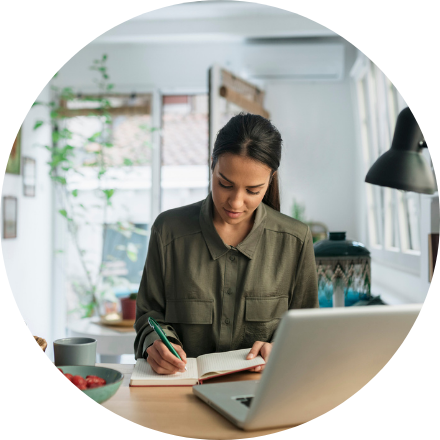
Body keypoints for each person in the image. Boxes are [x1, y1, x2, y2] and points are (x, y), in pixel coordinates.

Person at [134, 112, 318, 375]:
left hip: (262, 392)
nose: (235, 202)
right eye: (225, 184)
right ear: (212, 165)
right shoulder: (168, 231)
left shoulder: (295, 240)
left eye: (253, 191)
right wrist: (157, 344)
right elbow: (148, 316)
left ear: (270, 179)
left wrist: (282, 348)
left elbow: (307, 330)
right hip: (180, 390)